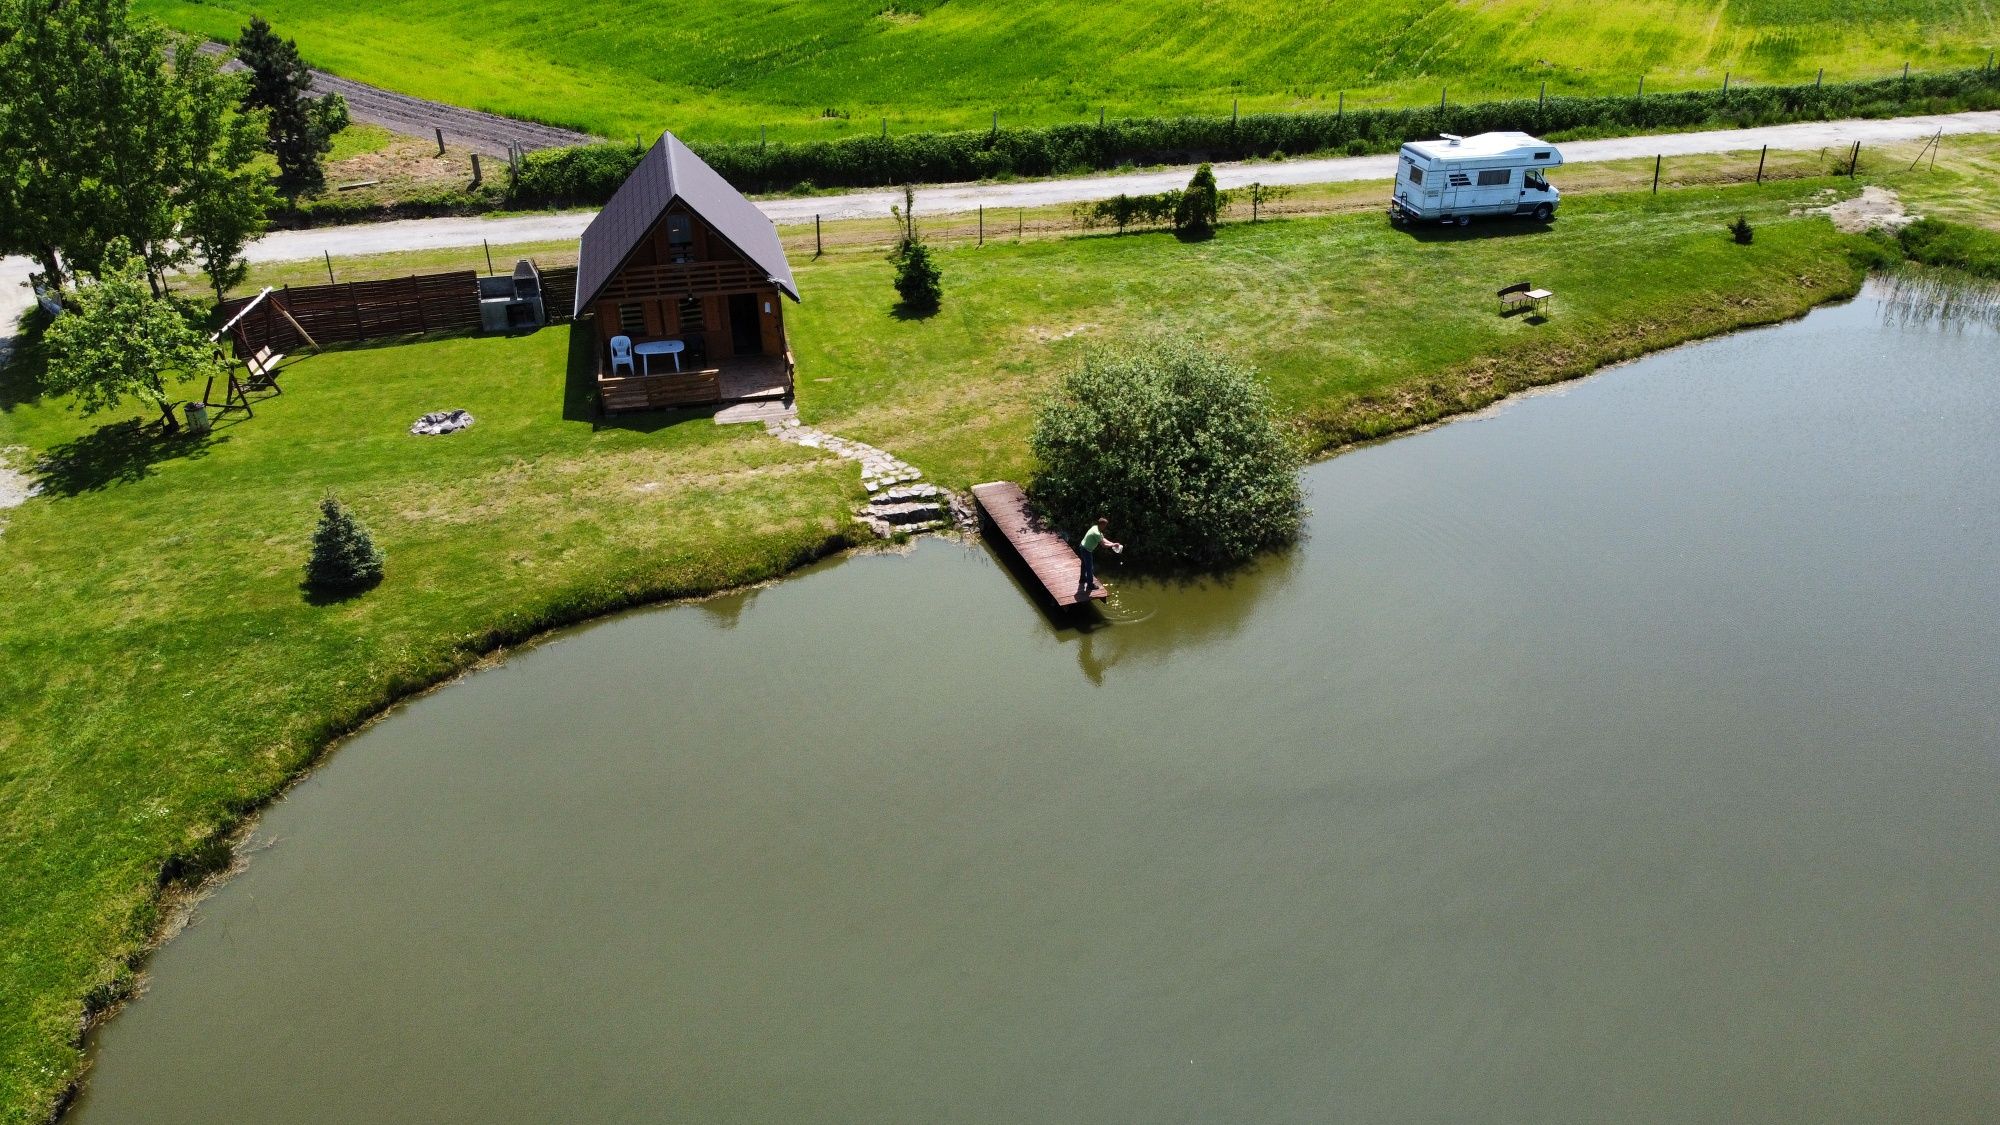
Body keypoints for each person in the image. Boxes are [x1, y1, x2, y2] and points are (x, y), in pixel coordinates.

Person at [1076, 517, 1121, 597]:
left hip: (1082, 546)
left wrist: (1113, 543)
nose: (1105, 527)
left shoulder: (1095, 528)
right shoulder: (1096, 533)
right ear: (1101, 524)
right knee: (1090, 568)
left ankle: (1082, 579)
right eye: (1104, 525)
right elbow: (1103, 545)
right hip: (1086, 550)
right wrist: (1113, 545)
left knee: (1083, 565)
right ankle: (1090, 585)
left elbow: (1103, 539)